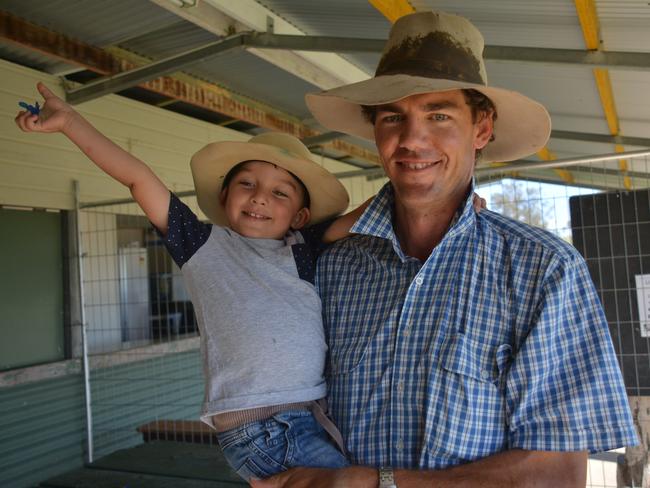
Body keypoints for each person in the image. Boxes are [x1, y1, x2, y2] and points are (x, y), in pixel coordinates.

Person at [252, 10, 639, 488]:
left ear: (481, 129)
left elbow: (556, 474)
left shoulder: (544, 270)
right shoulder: (330, 268)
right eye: (394, 116)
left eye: (439, 114)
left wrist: (377, 483)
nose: (412, 139)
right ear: (375, 131)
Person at [14, 83, 361, 482]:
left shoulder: (302, 248)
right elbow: (138, 179)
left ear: (300, 216)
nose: (260, 197)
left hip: (307, 418)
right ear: (225, 193)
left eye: (280, 192)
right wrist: (72, 122)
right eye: (247, 184)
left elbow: (371, 213)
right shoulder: (203, 244)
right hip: (263, 429)